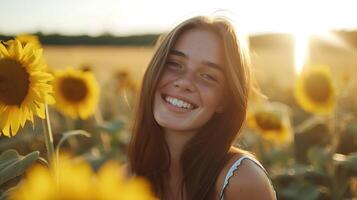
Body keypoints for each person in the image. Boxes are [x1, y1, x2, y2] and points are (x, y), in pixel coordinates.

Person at [127, 16, 277, 200]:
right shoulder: (125, 180)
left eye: (207, 76)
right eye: (174, 64)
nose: (184, 83)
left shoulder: (242, 182)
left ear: (224, 100)